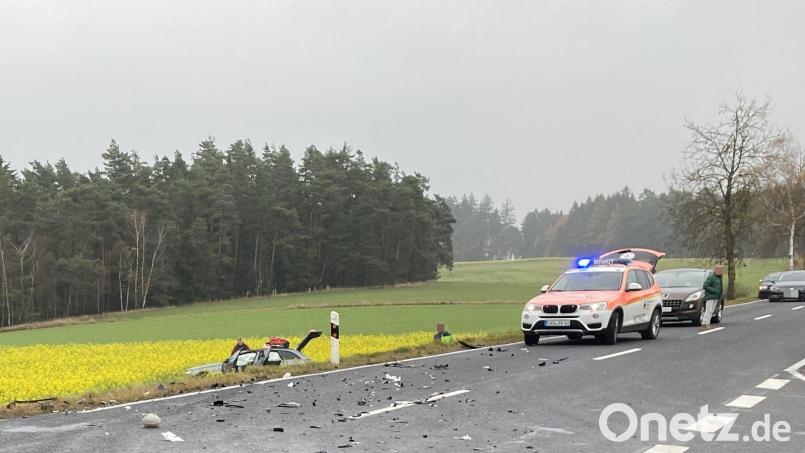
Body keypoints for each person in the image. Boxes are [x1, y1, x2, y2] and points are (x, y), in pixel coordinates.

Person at [701, 266, 724, 330]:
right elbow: (705, 285)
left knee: (712, 310)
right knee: (708, 310)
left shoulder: (718, 277)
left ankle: (708, 323)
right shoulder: (711, 277)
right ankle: (704, 323)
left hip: (716, 296)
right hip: (710, 296)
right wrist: (714, 291)